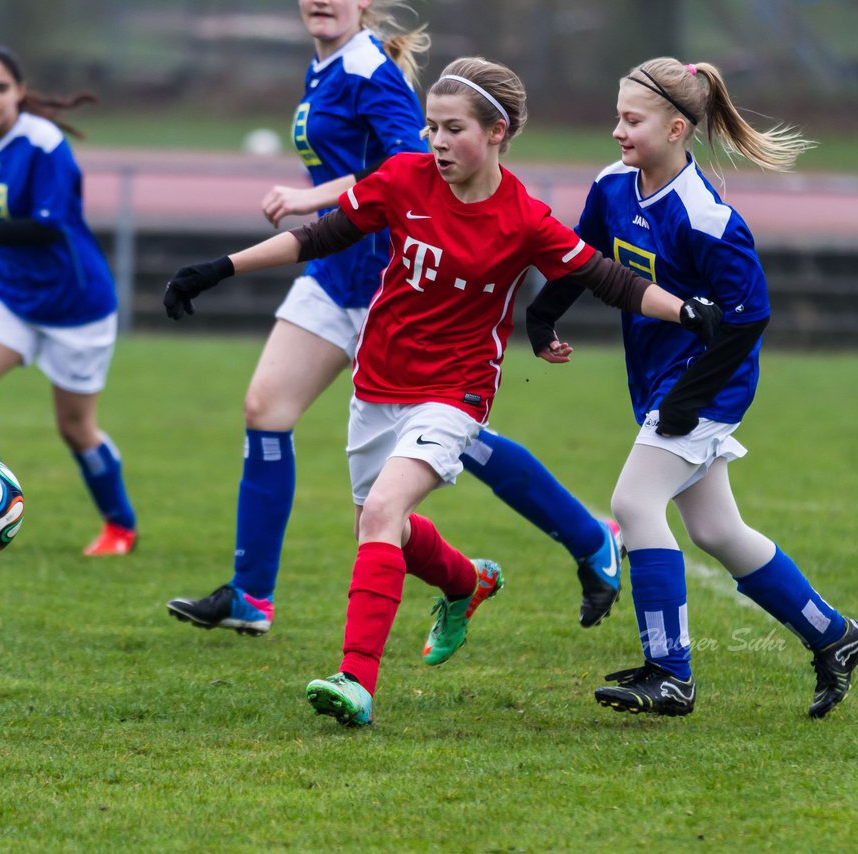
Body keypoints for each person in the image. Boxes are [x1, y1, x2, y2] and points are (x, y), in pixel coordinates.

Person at [163, 57, 720, 726]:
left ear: (497, 133)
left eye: (453, 129)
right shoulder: (402, 180)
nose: (436, 142)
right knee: (379, 526)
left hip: (454, 390)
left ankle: (356, 681)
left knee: (380, 517)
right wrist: (216, 269)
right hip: (379, 381)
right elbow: (318, 237)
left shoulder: (524, 217)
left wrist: (684, 309)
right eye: (430, 127)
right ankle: (465, 580)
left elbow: (609, 280)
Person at [165, 0, 626, 638]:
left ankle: (588, 536)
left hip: (398, 283)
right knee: (265, 409)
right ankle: (251, 594)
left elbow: (403, 164)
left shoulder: (369, 72)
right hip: (334, 277)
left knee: (458, 440)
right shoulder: (325, 66)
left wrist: (309, 197)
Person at [526, 57, 858, 719]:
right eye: (618, 117)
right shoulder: (612, 187)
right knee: (717, 529)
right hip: (662, 382)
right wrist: (543, 315)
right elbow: (584, 259)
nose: (617, 131)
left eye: (632, 120)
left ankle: (671, 673)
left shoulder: (705, 218)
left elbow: (750, 317)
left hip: (708, 386)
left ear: (678, 128)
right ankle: (835, 635)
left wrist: (689, 400)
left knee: (634, 502)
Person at [0, 44, 137, 557]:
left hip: (76, 303)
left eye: (0, 87)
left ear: (19, 92)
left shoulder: (44, 143)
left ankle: (120, 526)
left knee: (75, 429)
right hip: (13, 295)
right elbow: (5, 216)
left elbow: (47, 224)